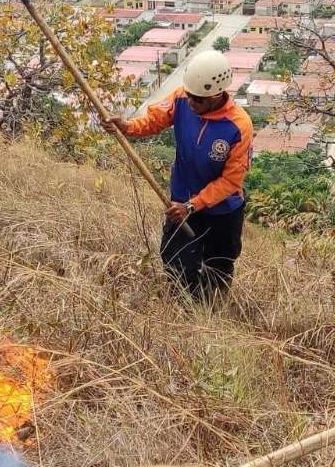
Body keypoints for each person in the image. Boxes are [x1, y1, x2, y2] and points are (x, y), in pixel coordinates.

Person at [105, 51, 253, 300]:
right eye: (189, 95)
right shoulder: (181, 99)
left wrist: (192, 206)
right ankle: (186, 309)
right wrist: (128, 127)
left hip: (222, 212)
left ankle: (211, 311)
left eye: (198, 99)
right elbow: (154, 120)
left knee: (218, 266)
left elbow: (231, 181)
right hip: (179, 202)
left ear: (216, 95)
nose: (191, 102)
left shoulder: (239, 126)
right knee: (175, 260)